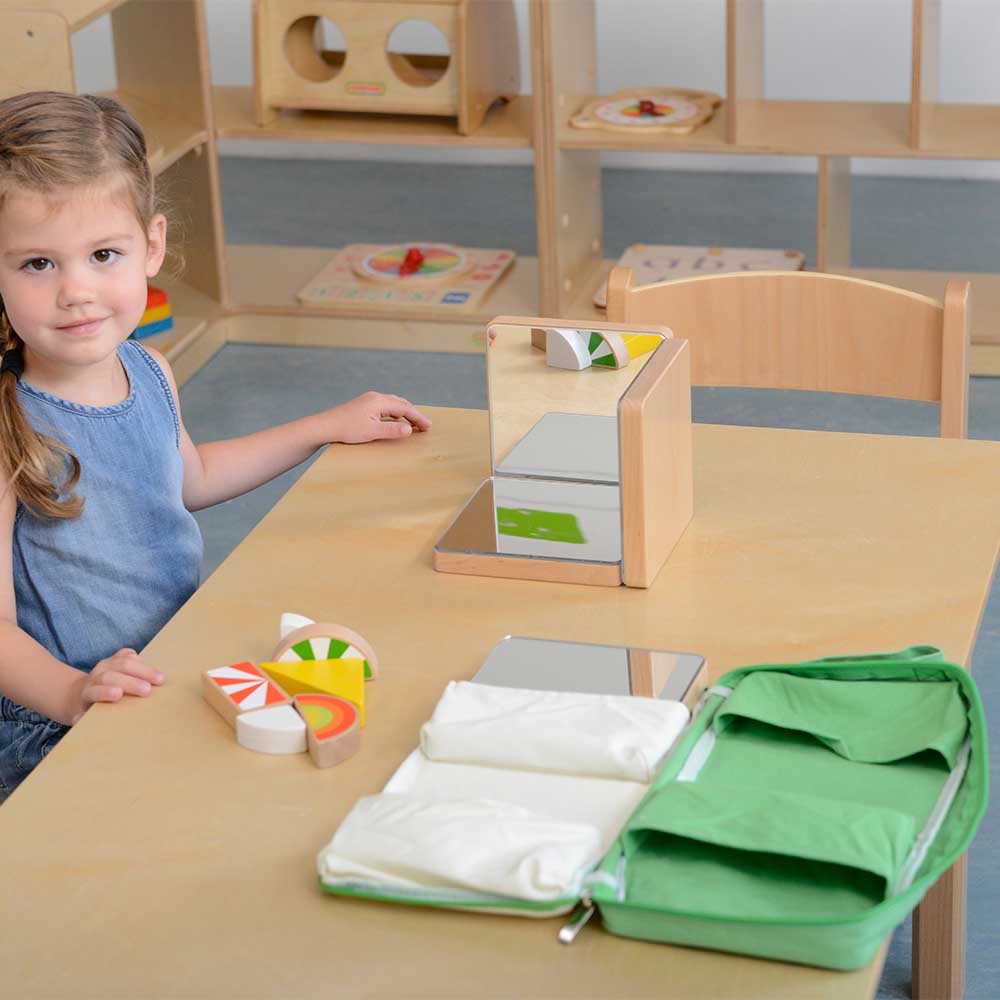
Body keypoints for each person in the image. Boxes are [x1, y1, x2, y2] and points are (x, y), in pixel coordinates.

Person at [0, 91, 431, 801]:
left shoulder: (150, 370)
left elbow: (188, 477)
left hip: (171, 664)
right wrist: (77, 692)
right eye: (38, 264)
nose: (77, 290)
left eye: (103, 254)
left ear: (153, 246)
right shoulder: (12, 422)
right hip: (59, 719)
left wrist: (322, 425)